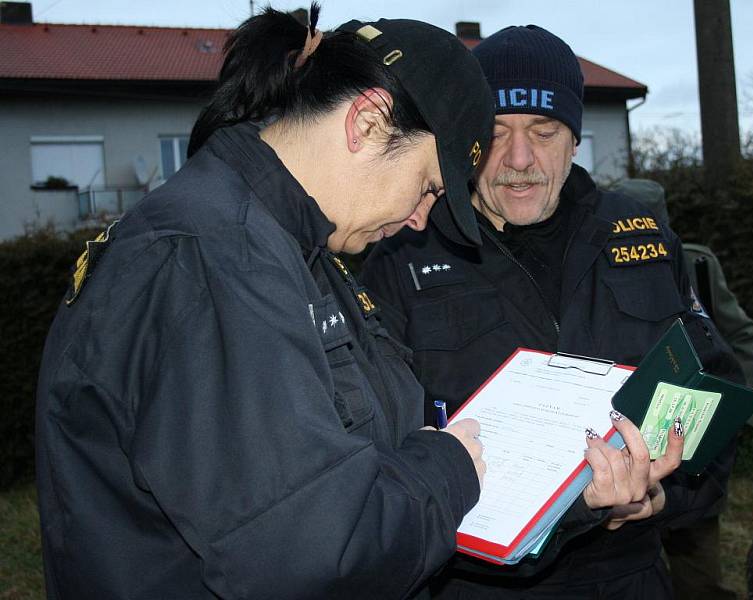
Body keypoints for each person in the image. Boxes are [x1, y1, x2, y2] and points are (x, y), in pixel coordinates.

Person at [35, 8, 498, 599]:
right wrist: (447, 469)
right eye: (429, 185)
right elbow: (309, 552)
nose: (418, 218)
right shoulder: (214, 261)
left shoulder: (291, 248)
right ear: (367, 121)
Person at [362, 24, 744, 599]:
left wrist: (664, 495)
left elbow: (710, 394)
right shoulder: (404, 248)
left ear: (574, 137)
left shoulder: (638, 237)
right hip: (477, 583)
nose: (520, 159)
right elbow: (371, 447)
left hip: (628, 575)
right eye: (496, 133)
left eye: (544, 131)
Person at [612, 178, 753, 600]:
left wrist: (737, 415)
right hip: (628, 447)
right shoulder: (599, 266)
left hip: (693, 444)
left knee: (698, 574)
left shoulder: (693, 263)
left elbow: (742, 337)